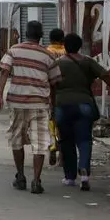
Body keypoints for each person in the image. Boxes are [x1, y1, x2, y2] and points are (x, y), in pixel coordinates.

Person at [51, 33, 110, 191]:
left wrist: (51, 106)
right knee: (84, 140)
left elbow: (51, 84)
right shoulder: (87, 61)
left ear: (65, 46)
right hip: (84, 104)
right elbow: (105, 75)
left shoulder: (57, 64)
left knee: (66, 142)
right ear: (79, 45)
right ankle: (84, 171)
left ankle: (70, 177)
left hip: (62, 105)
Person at [0, 20, 60, 195]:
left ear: (25, 33)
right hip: (40, 103)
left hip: (17, 102)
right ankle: (36, 180)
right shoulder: (48, 55)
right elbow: (54, 84)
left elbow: (4, 72)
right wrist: (53, 104)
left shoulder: (14, 50)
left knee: (17, 139)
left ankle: (21, 176)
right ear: (41, 36)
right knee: (40, 142)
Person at [45, 28, 66, 167]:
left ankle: (53, 146)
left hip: (50, 90)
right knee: (64, 124)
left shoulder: (47, 52)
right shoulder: (67, 52)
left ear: (50, 39)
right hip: (65, 91)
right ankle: (62, 158)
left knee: (51, 119)